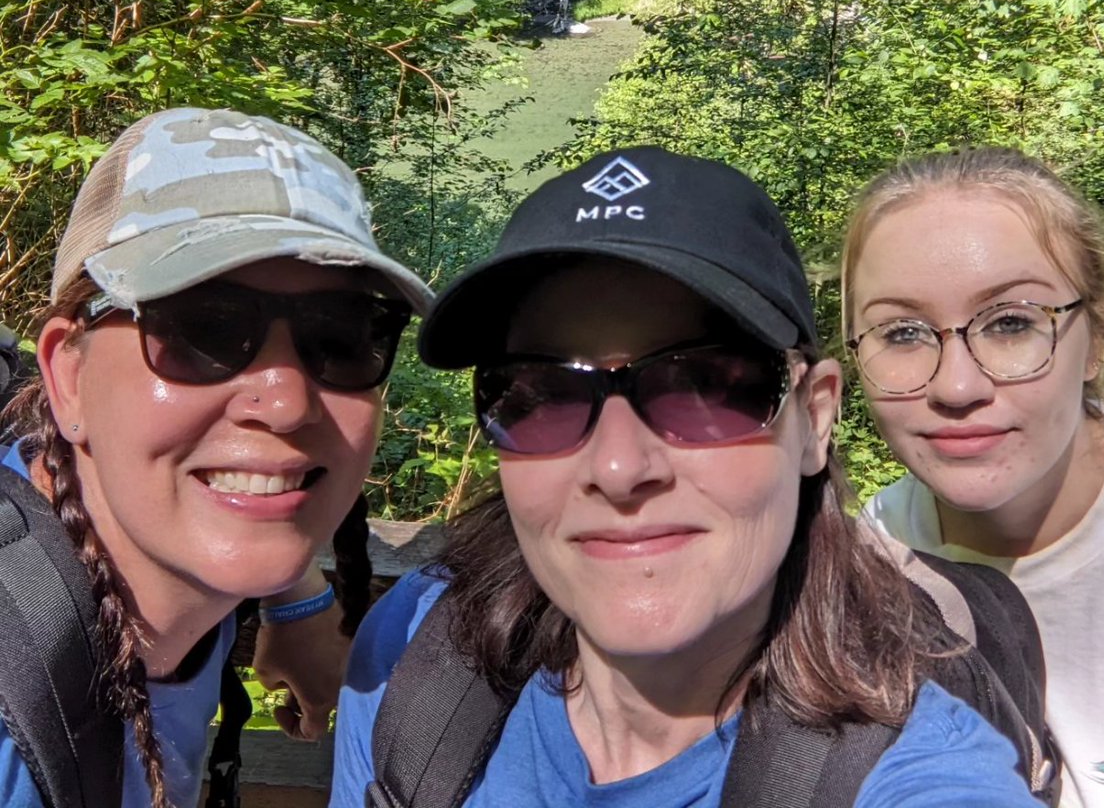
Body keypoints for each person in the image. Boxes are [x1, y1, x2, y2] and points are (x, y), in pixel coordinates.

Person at [333, 146, 1044, 807]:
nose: (617, 468)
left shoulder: (917, 772)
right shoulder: (419, 652)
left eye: (706, 387)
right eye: (543, 395)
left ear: (816, 419)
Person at [1, 106, 433, 808]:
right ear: (68, 376)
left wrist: (293, 602)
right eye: (204, 330)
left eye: (342, 337)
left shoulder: (151, 537)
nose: (288, 402)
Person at [841, 146, 1104, 808]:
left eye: (1010, 324)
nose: (956, 385)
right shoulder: (864, 578)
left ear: (1095, 340)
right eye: (902, 333)